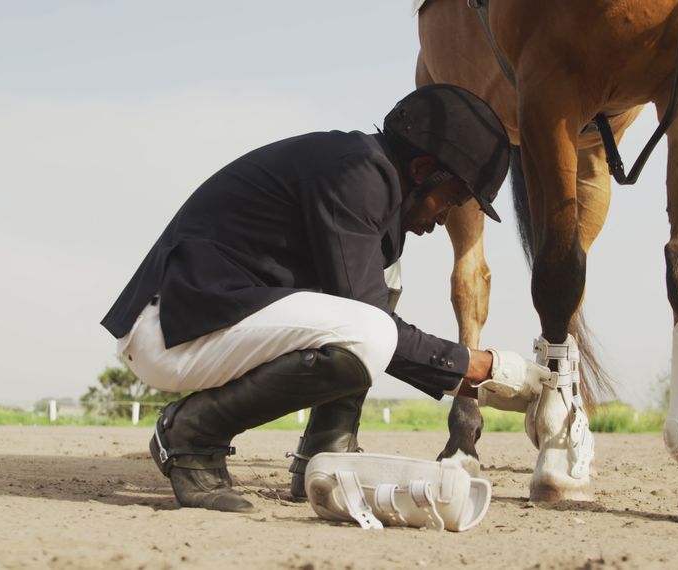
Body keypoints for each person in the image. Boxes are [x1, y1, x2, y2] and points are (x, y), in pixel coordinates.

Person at [100, 84, 550, 513]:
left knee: (376, 297)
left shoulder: (369, 184)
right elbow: (369, 322)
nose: (445, 216)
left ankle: (325, 454)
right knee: (369, 330)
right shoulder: (357, 174)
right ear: (420, 171)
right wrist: (483, 370)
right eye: (450, 198)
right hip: (174, 328)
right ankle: (191, 435)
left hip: (213, 318)